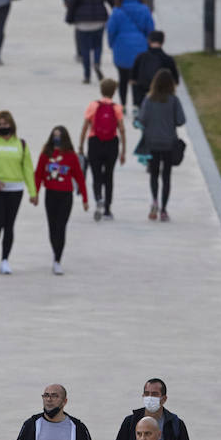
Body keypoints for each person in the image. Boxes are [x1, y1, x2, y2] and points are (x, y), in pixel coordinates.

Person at [0, 111, 36, 270]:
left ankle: (5, 259)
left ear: (11, 125)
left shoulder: (21, 144)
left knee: (9, 225)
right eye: (0, 125)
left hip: (16, 189)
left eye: (5, 124)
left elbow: (27, 169)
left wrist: (33, 192)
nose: (3, 127)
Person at [111, 379, 195, 440]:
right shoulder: (130, 422)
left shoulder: (175, 424)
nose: (150, 397)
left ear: (164, 399)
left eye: (154, 394)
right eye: (147, 394)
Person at [34, 125, 88, 276]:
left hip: (66, 195)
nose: (56, 138)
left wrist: (85, 198)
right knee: (52, 228)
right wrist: (35, 193)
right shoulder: (46, 154)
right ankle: (55, 251)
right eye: (54, 135)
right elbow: (38, 174)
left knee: (61, 226)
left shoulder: (71, 156)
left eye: (59, 135)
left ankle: (58, 259)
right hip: (50, 194)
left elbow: (79, 176)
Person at [139, 69, 186, 221]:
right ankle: (164, 210)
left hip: (152, 143)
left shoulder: (149, 99)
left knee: (153, 174)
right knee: (166, 176)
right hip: (168, 143)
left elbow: (142, 119)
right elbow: (181, 120)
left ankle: (154, 201)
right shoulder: (173, 100)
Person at [78, 77, 126, 220]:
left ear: (101, 90)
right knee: (109, 175)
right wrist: (123, 150)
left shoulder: (93, 105)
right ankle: (107, 209)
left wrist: (80, 146)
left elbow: (85, 127)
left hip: (95, 142)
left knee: (96, 175)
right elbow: (122, 129)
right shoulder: (117, 108)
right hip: (112, 143)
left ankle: (98, 197)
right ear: (114, 92)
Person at [106, 0, 153, 111]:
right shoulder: (144, 9)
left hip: (121, 48)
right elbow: (150, 29)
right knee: (137, 78)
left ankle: (123, 104)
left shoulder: (117, 11)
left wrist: (111, 44)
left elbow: (111, 30)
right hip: (140, 48)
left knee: (123, 78)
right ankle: (136, 105)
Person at [66, 0, 113, 85]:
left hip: (82, 19)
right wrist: (115, 6)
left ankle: (87, 74)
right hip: (98, 17)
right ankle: (97, 62)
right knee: (97, 45)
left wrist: (70, 17)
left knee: (85, 48)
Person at [130, 31, 180, 109]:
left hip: (143, 98)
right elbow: (175, 81)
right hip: (163, 99)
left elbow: (133, 80)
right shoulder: (168, 60)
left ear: (149, 41)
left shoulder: (140, 58)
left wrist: (136, 102)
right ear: (163, 41)